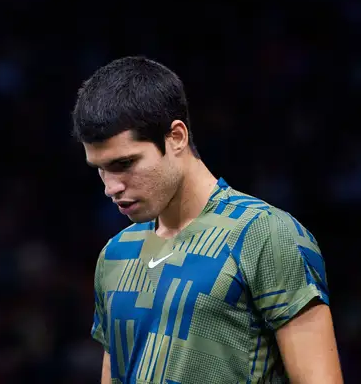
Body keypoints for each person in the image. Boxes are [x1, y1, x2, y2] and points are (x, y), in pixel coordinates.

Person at [72, 56, 343, 383]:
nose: (110, 187)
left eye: (125, 163)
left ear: (176, 137)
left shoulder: (266, 234)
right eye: (100, 168)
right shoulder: (116, 254)